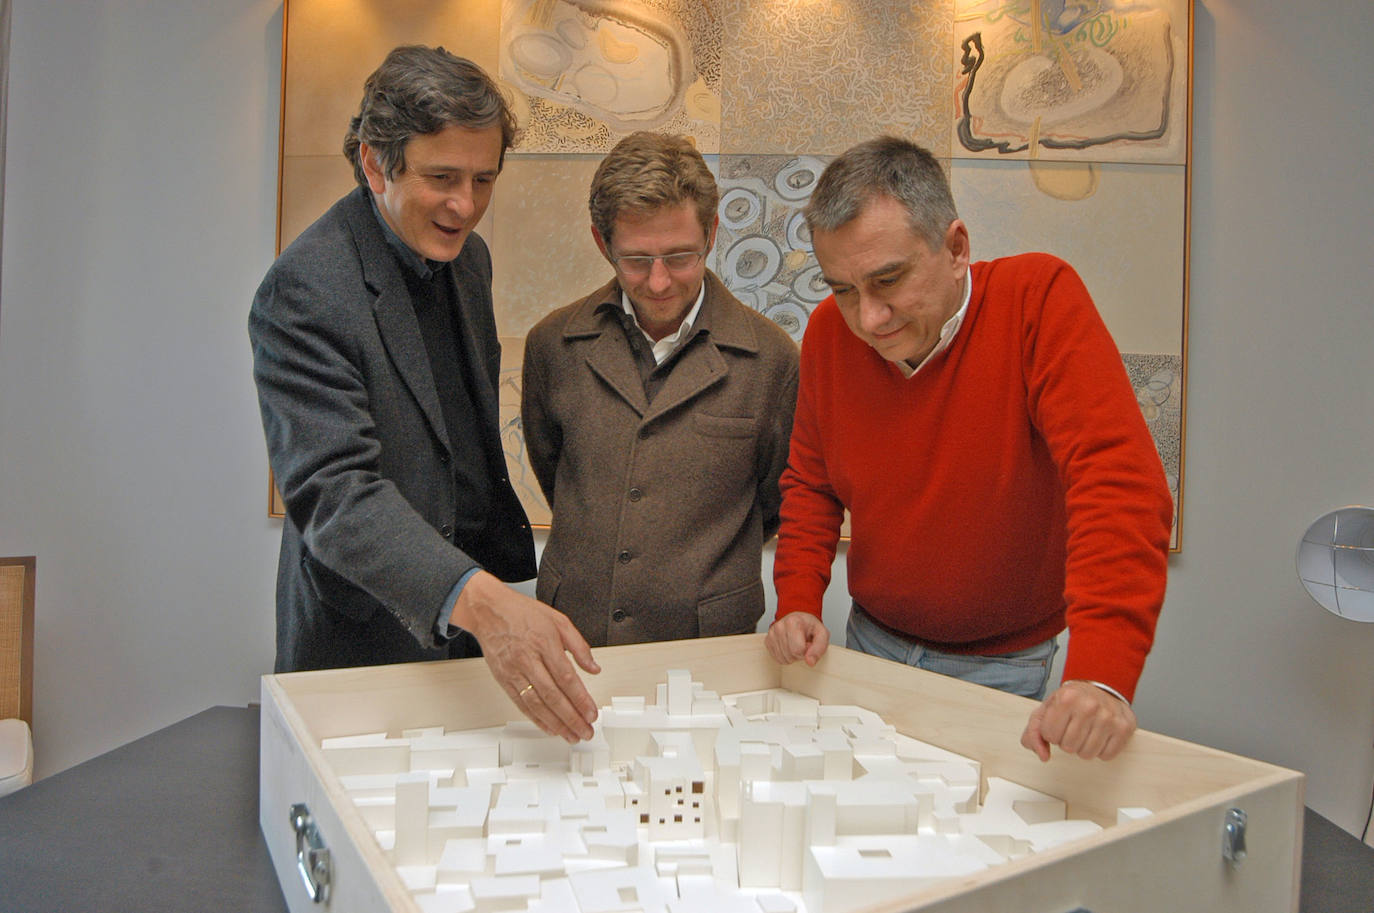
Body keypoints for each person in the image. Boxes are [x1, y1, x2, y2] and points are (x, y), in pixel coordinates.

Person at [765, 136, 1172, 762]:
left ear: (956, 248)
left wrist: (1100, 673)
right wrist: (796, 600)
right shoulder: (827, 334)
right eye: (843, 288)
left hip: (1003, 664)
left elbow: (1116, 484)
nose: (868, 318)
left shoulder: (1037, 299)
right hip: (871, 644)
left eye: (888, 280)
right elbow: (812, 484)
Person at [249, 45, 597, 743]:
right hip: (365, 636)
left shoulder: (468, 257)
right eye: (441, 177)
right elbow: (336, 493)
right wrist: (481, 601)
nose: (465, 206)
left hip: (465, 623)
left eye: (483, 180)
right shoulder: (305, 289)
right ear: (376, 163)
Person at [521, 132, 799, 646]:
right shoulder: (552, 345)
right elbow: (556, 472)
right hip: (577, 634)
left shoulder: (772, 358)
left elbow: (771, 502)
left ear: (712, 234)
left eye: (680, 256)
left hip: (707, 641)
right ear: (602, 242)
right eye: (635, 259)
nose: (658, 282)